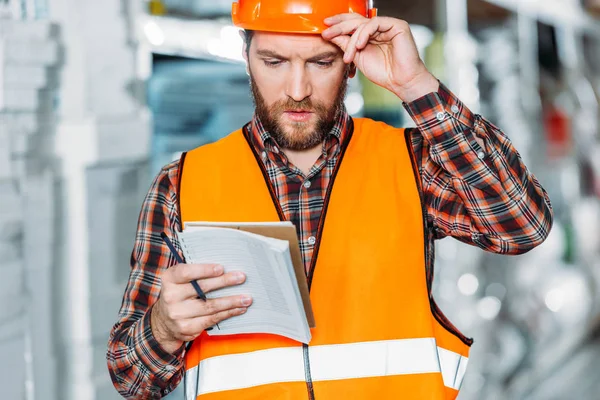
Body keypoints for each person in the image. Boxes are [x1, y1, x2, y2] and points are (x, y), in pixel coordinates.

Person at [107, 0, 553, 399]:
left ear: (353, 62)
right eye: (274, 61)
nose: (297, 89)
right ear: (246, 57)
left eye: (321, 62)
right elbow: (130, 378)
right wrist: (163, 329)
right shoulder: (182, 185)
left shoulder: (411, 164)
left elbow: (522, 224)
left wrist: (415, 84)